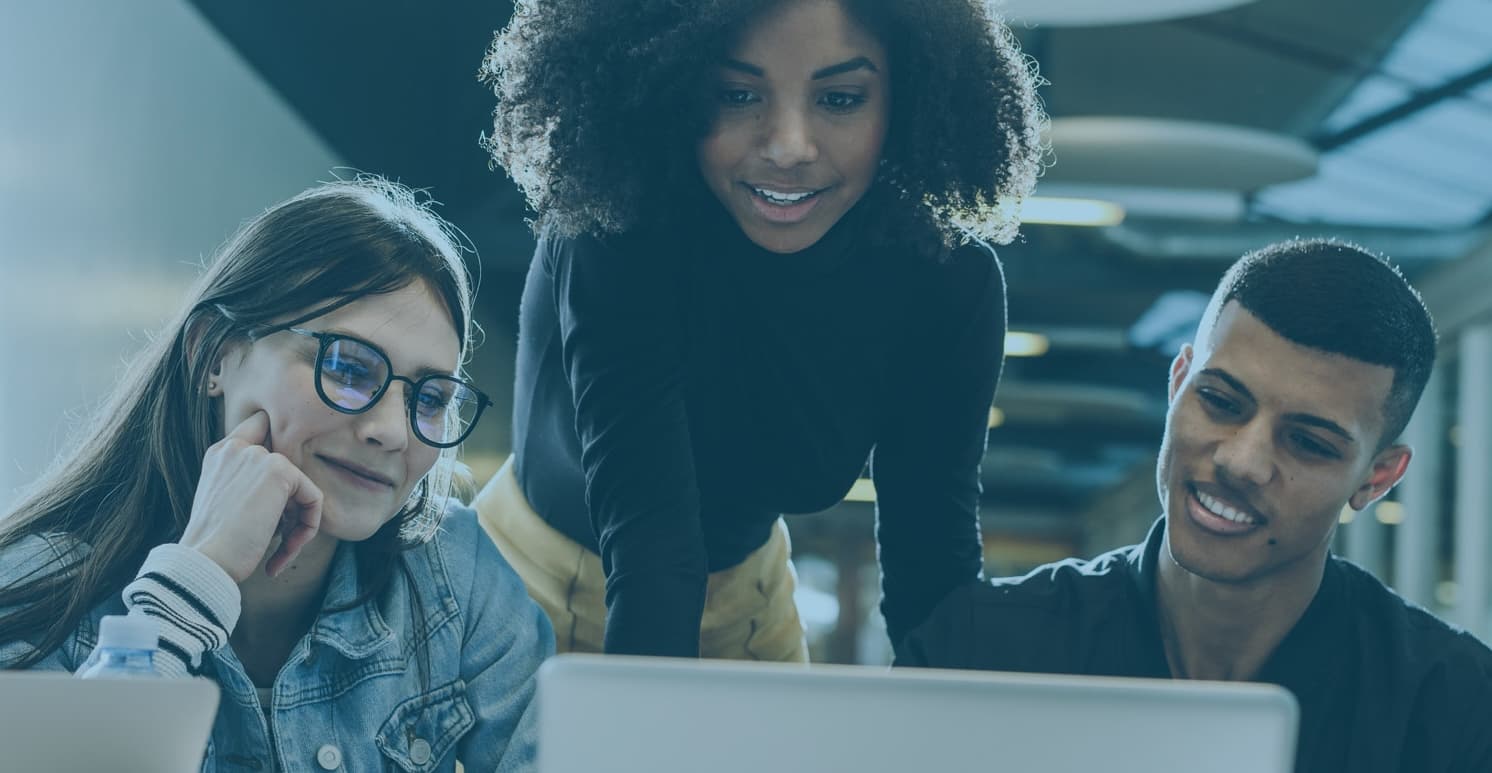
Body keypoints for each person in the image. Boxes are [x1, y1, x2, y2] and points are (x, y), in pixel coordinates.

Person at [476, 0, 1047, 659]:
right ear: (674, 84)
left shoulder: (946, 285)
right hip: (516, 595)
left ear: (909, 96)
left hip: (747, 605)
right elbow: (654, 552)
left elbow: (932, 576)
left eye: (840, 98)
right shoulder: (620, 226)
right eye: (738, 94)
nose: (788, 147)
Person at [0, 179, 554, 772]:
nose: (394, 430)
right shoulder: (41, 592)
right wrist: (196, 576)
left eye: (430, 397)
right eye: (347, 367)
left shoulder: (457, 577)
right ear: (214, 356)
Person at [898, 239, 1492, 772]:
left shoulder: (1453, 709)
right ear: (1178, 381)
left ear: (1378, 477)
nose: (1241, 462)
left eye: (1308, 443)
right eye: (1220, 401)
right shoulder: (982, 653)